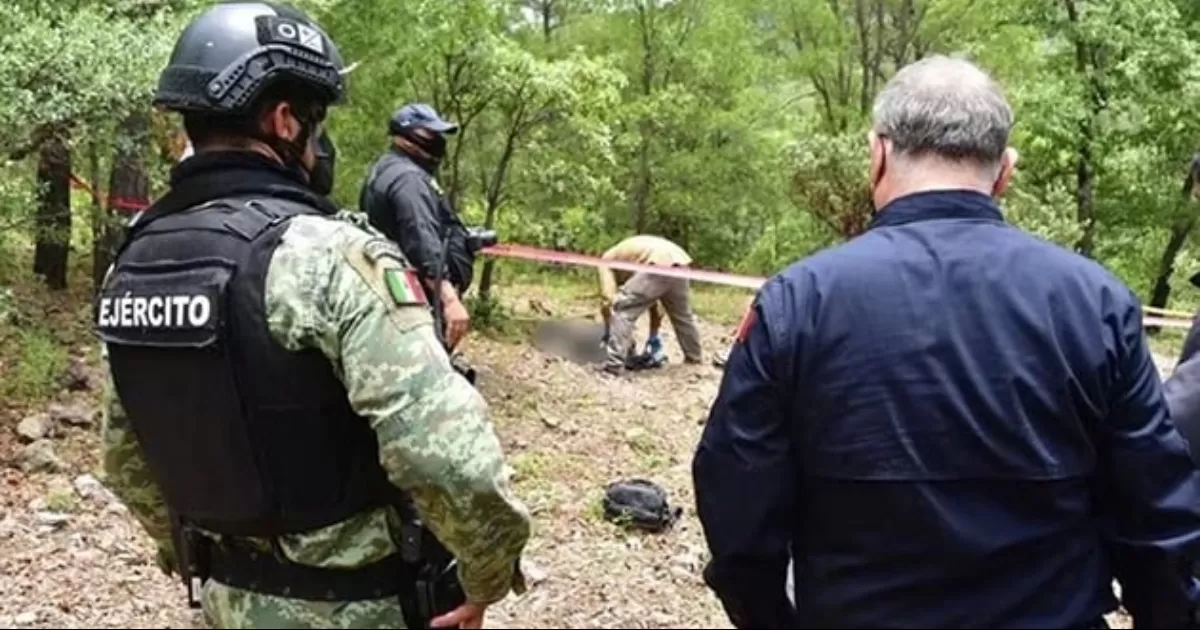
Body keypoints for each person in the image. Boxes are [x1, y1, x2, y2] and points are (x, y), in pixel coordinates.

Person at [692, 55, 1200, 629]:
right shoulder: (1095, 301)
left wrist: (767, 617)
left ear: (877, 154)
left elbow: (736, 497)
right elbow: (1154, 512)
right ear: (1005, 171)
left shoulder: (798, 301)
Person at [94, 3, 530, 628]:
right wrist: (486, 573)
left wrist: (195, 556)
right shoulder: (330, 255)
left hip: (225, 600)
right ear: (283, 120)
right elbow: (447, 457)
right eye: (317, 122)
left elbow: (125, 455)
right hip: (359, 606)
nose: (322, 143)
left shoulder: (134, 259)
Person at [359, 103, 474, 350]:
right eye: (429, 135)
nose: (437, 142)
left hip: (393, 294)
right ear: (406, 137)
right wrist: (449, 299)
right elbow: (421, 238)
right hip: (413, 301)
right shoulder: (408, 179)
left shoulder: (385, 168)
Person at [596, 234, 703, 375]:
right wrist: (653, 335)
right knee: (683, 317)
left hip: (657, 262)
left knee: (623, 310)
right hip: (679, 262)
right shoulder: (630, 259)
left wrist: (609, 330)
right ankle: (694, 358)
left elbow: (608, 300)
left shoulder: (605, 261)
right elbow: (654, 303)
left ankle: (613, 366)